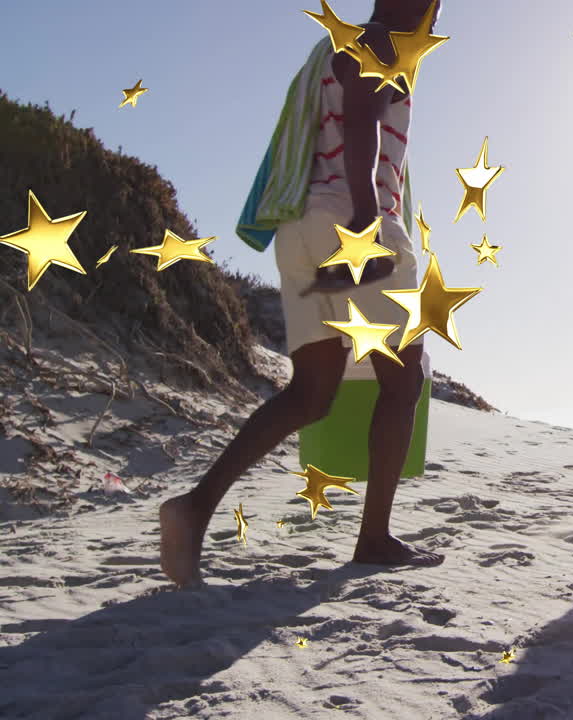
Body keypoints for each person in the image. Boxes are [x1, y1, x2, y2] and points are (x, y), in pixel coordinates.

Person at [160, 0, 445, 588]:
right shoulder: (381, 41)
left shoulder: (334, 46)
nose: (434, 17)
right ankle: (374, 539)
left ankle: (194, 508)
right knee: (404, 378)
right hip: (354, 222)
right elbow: (362, 115)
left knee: (312, 393)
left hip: (302, 225)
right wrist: (368, 214)